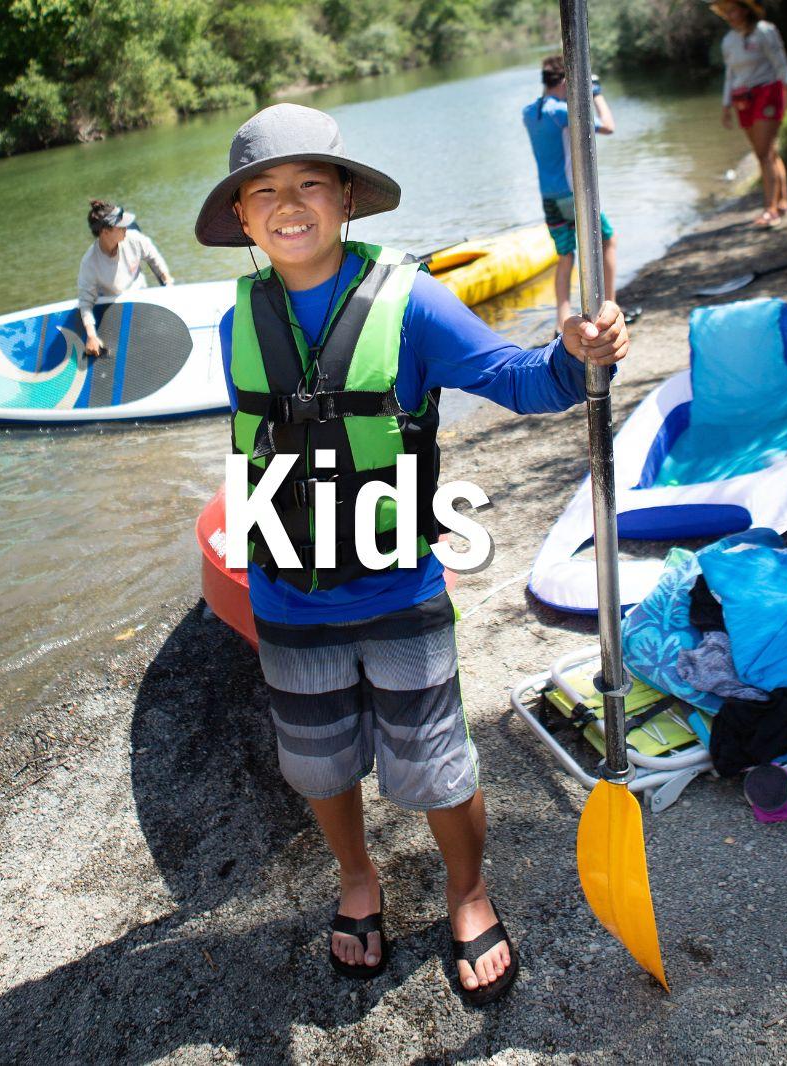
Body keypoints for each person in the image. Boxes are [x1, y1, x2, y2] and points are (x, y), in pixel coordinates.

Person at [195, 104, 628, 1005]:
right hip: (288, 590)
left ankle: (467, 893)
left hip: (397, 583)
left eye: (310, 182)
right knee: (315, 763)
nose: (288, 204)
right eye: (263, 191)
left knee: (434, 759)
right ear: (240, 217)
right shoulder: (234, 317)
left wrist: (577, 354)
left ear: (346, 197)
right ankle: (359, 880)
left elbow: (518, 380)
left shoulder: (413, 298)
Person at [523, 54, 619, 335]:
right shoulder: (562, 113)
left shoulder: (529, 113)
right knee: (608, 240)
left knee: (565, 256)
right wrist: (596, 93)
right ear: (565, 81)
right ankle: (610, 309)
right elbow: (609, 126)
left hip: (548, 198)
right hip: (572, 195)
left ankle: (561, 322)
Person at [711, 0, 787, 228]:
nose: (731, 15)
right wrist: (726, 106)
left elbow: (781, 63)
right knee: (767, 152)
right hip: (743, 99)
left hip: (768, 92)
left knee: (763, 154)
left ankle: (770, 210)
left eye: (734, 9)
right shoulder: (729, 41)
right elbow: (730, 75)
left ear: (746, 9)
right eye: (727, 12)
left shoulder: (765, 31)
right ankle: (782, 201)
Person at [77, 200, 174, 358]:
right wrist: (91, 336)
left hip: (142, 300)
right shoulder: (89, 262)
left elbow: (155, 260)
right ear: (105, 232)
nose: (126, 228)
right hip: (115, 308)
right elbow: (85, 303)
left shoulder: (134, 239)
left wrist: (168, 283)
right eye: (121, 225)